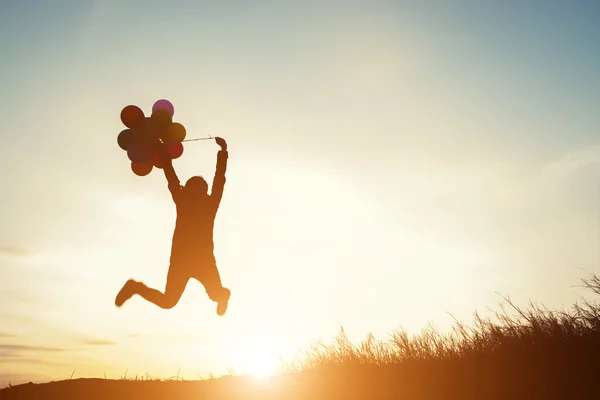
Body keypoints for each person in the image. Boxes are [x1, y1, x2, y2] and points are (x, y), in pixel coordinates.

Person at [115, 137, 231, 316]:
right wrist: (222, 153)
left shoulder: (188, 201)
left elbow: (173, 176)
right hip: (191, 261)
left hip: (194, 261)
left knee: (176, 300)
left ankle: (222, 296)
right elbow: (217, 181)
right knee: (179, 300)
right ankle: (222, 296)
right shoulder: (204, 203)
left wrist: (164, 154)